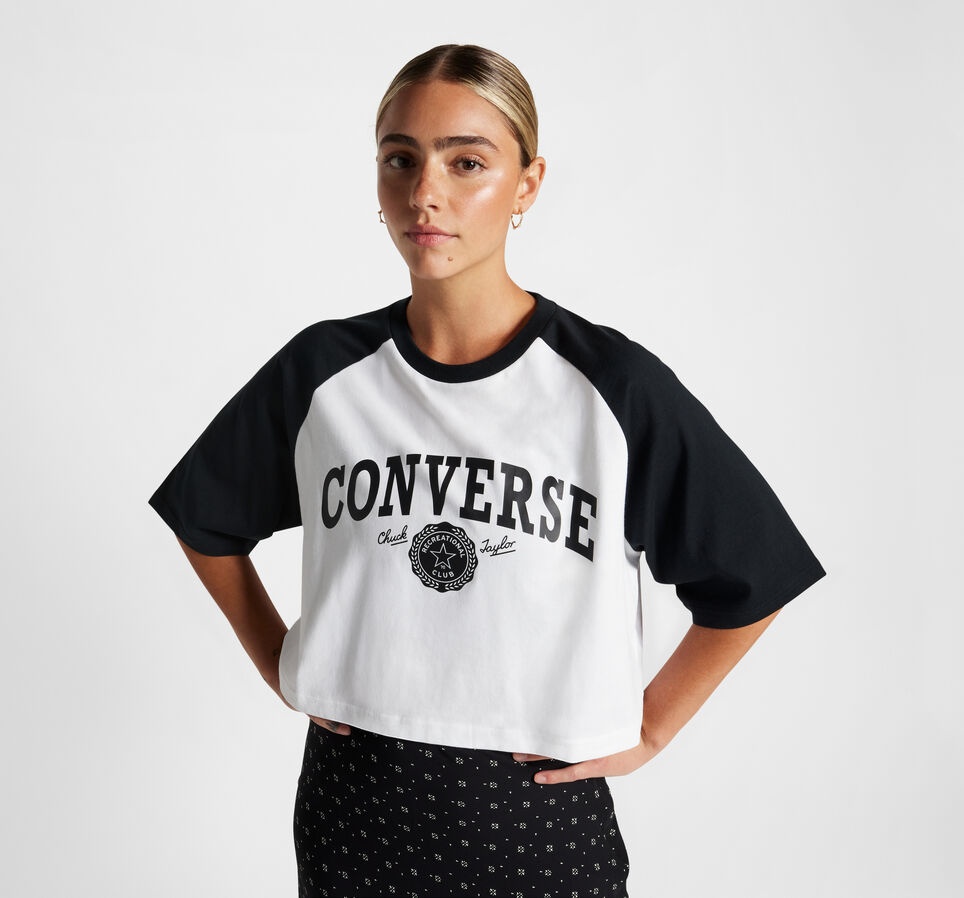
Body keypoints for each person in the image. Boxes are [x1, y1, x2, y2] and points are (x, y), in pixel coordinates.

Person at [149, 44, 825, 898]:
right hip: (353, 803)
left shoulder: (608, 386)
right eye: (400, 160)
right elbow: (205, 518)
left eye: (466, 161)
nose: (425, 192)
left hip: (536, 812)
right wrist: (285, 662)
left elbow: (754, 572)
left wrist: (652, 727)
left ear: (527, 184)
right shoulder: (323, 372)